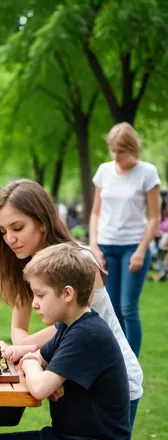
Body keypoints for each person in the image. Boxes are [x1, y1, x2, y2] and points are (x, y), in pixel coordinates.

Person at [0, 244, 132, 440]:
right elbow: (38, 359)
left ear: (67, 294)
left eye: (39, 294)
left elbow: (39, 387)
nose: (35, 303)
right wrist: (32, 360)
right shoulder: (68, 327)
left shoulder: (87, 335)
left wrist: (30, 362)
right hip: (68, 438)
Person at [0, 179, 143, 426]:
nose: (9, 239)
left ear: (42, 222)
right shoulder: (28, 267)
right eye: (3, 231)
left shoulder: (80, 262)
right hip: (71, 376)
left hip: (113, 380)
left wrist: (28, 354)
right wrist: (33, 355)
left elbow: (73, 328)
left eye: (17, 228)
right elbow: (18, 329)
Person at [90, 123, 161, 358]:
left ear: (133, 148)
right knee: (111, 309)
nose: (116, 156)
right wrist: (94, 246)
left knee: (128, 307)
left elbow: (154, 218)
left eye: (121, 151)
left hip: (133, 246)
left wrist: (141, 251)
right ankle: (116, 358)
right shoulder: (103, 171)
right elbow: (95, 212)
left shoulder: (147, 173)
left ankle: (132, 362)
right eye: (113, 151)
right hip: (106, 246)